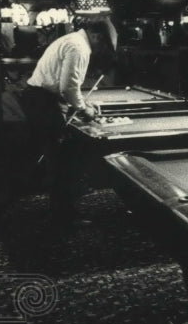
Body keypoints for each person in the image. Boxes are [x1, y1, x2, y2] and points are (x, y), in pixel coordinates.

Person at [20, 19, 116, 227]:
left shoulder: (72, 40)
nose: (101, 50)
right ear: (97, 36)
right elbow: (67, 88)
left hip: (39, 98)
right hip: (42, 101)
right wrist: (85, 109)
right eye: (103, 45)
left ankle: (61, 205)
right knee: (61, 157)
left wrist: (82, 102)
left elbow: (66, 87)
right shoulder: (79, 47)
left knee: (58, 155)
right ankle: (62, 215)